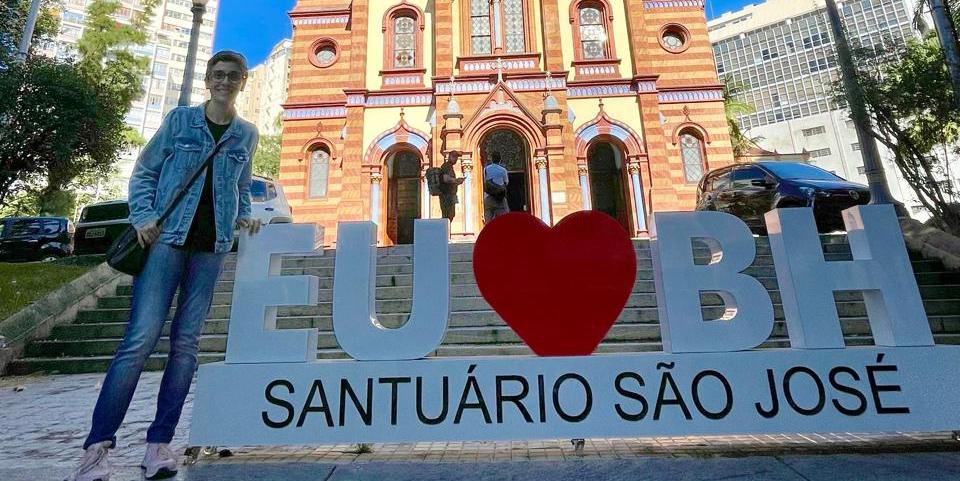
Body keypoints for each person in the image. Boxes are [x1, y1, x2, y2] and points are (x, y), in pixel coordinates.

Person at [65, 51, 262, 481]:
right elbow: (145, 173)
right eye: (219, 75)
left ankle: (159, 445)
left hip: (211, 248)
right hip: (166, 242)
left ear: (243, 83)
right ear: (208, 80)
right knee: (138, 342)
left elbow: (242, 185)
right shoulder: (179, 122)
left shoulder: (247, 134)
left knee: (186, 346)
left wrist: (244, 213)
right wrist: (142, 217)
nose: (225, 81)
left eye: (233, 76)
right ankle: (97, 449)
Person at [483, 152, 510, 223]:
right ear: (500, 160)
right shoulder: (503, 170)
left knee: (488, 222)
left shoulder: (486, 169)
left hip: (488, 197)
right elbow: (506, 182)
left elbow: (485, 181)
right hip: (499, 198)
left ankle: (488, 234)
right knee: (504, 221)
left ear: (492, 159)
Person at [439, 151, 465, 222]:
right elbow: (445, 179)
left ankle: (446, 231)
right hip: (447, 196)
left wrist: (457, 182)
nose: (456, 159)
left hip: (450, 195)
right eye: (454, 157)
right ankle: (444, 232)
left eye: (456, 157)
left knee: (450, 215)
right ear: (449, 157)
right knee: (447, 215)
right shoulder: (446, 166)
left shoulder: (449, 167)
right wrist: (456, 180)